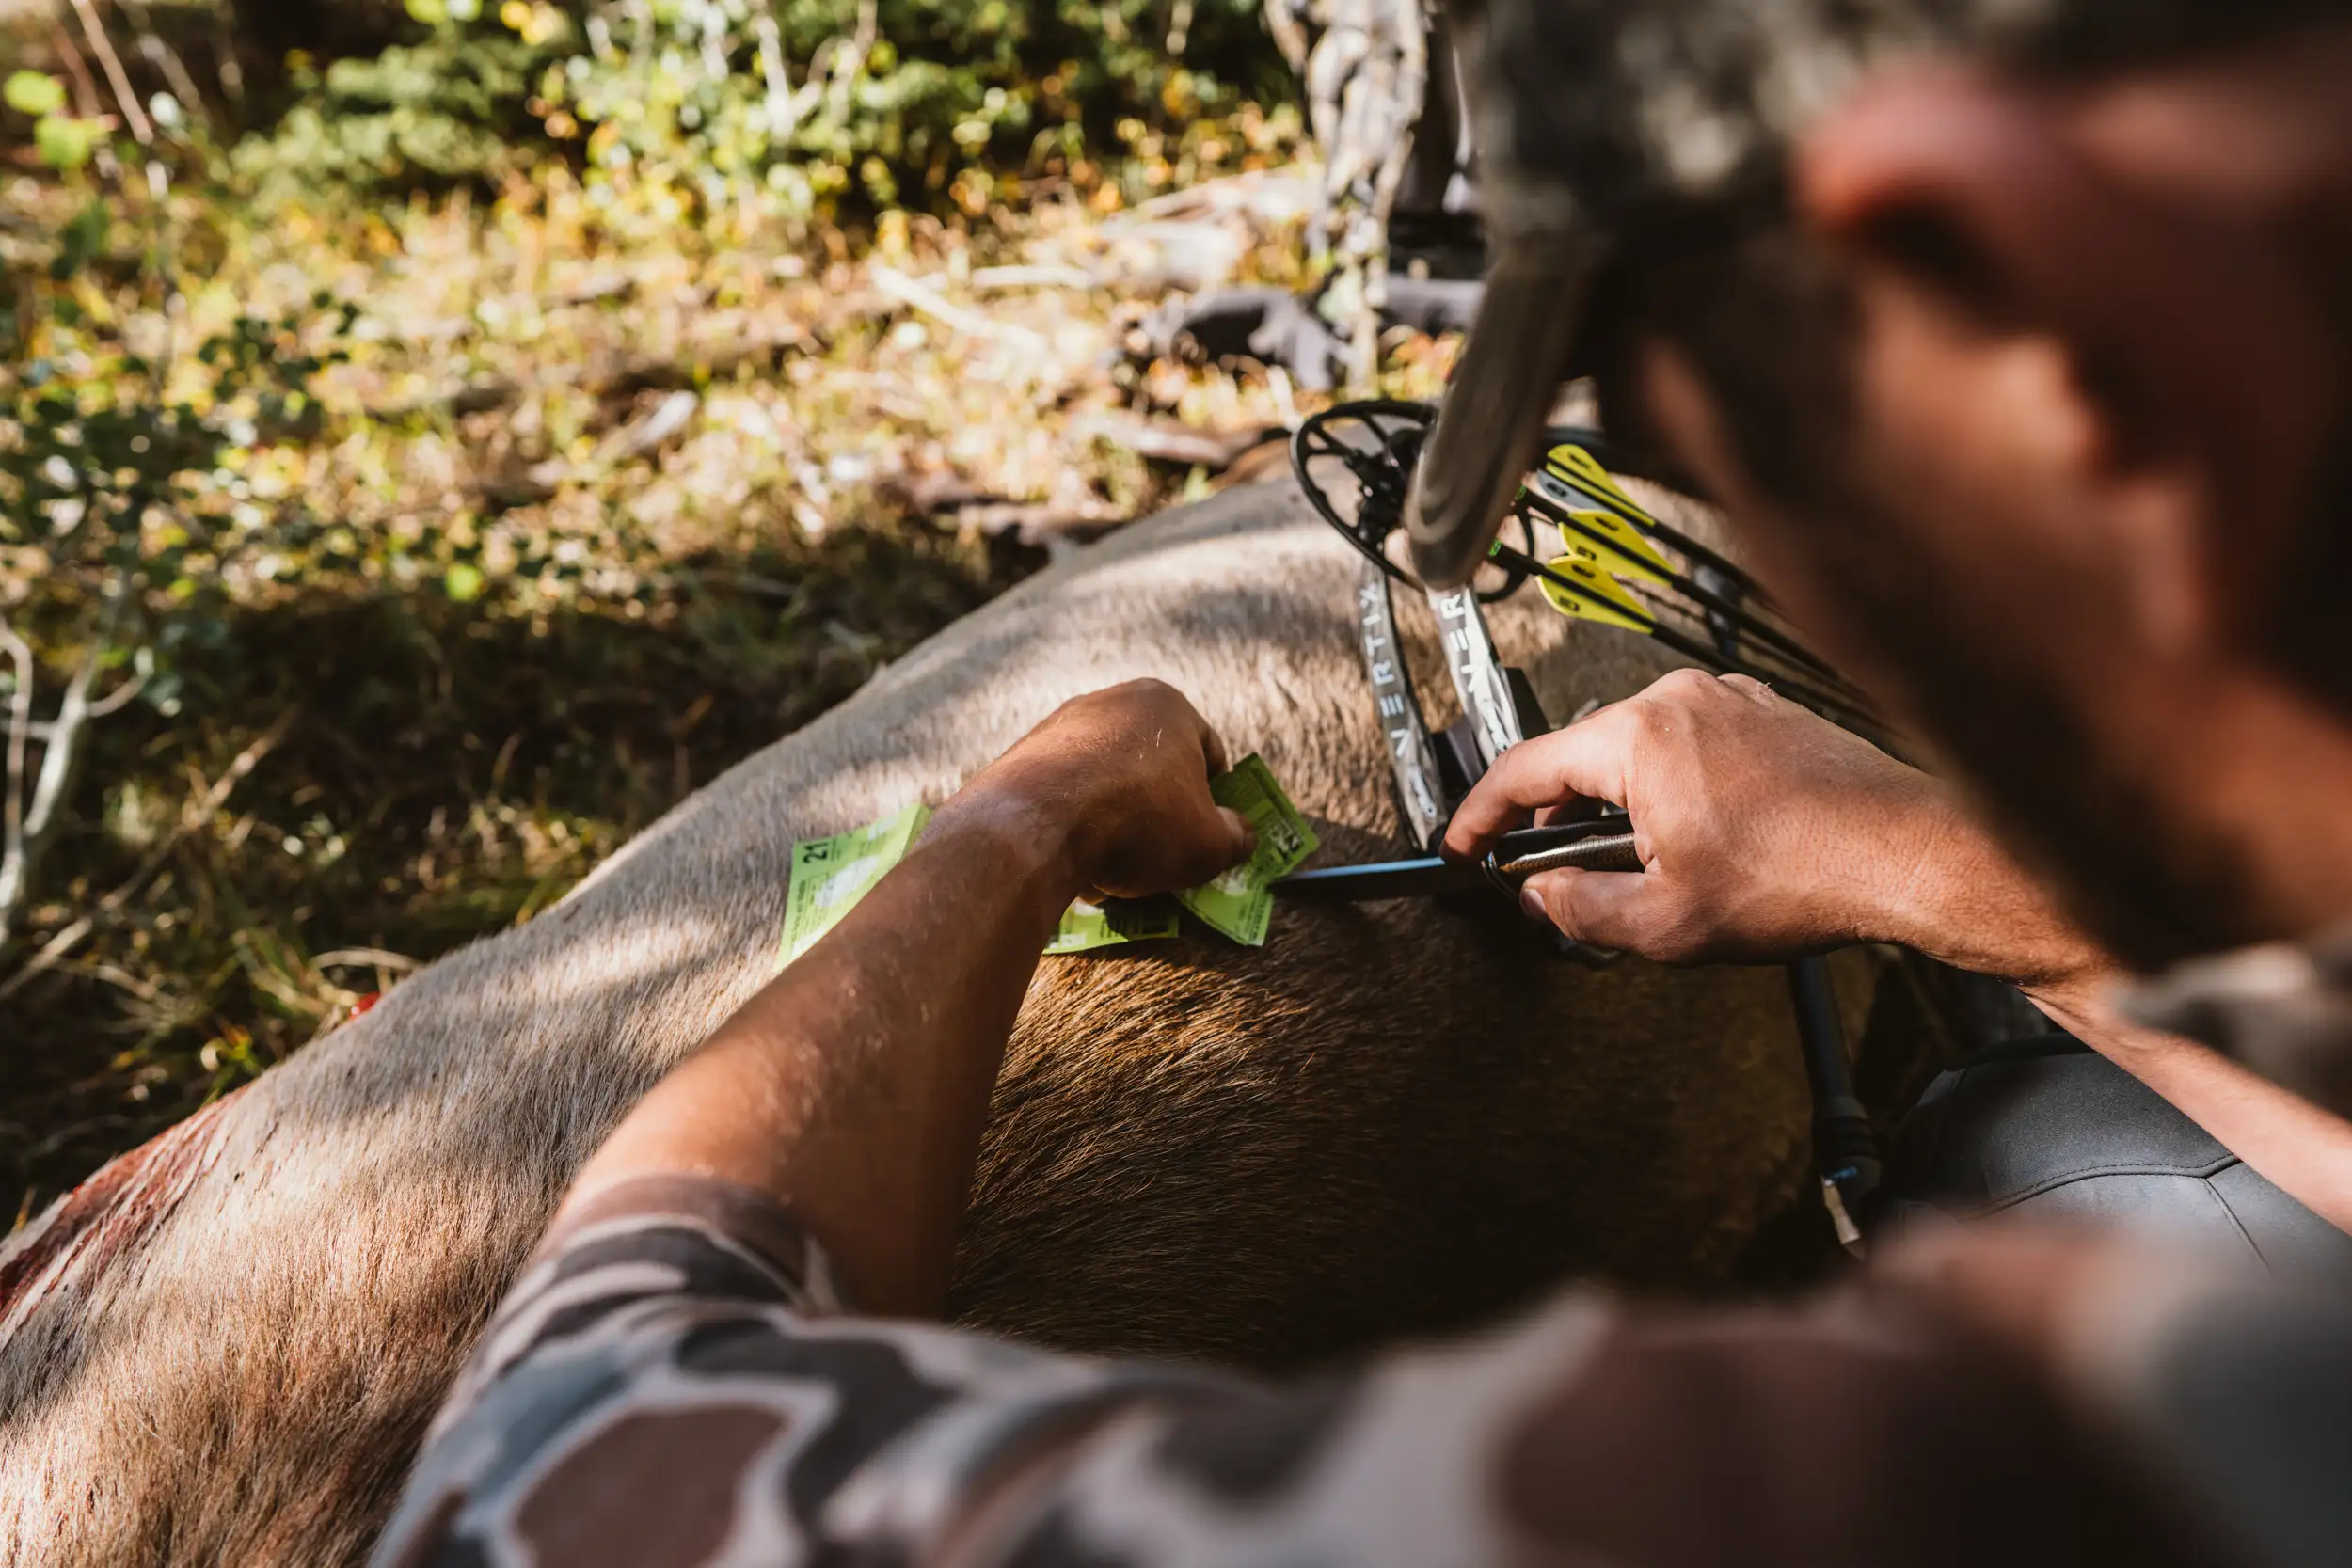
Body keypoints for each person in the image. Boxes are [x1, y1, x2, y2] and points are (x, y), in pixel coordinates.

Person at [371, 3, 2352, 1564]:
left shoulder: (1988, 1465)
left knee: (2015, 1154)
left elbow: (559, 1456)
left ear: (2009, 284)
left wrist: (1012, 822)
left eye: (1693, 418)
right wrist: (1944, 864)